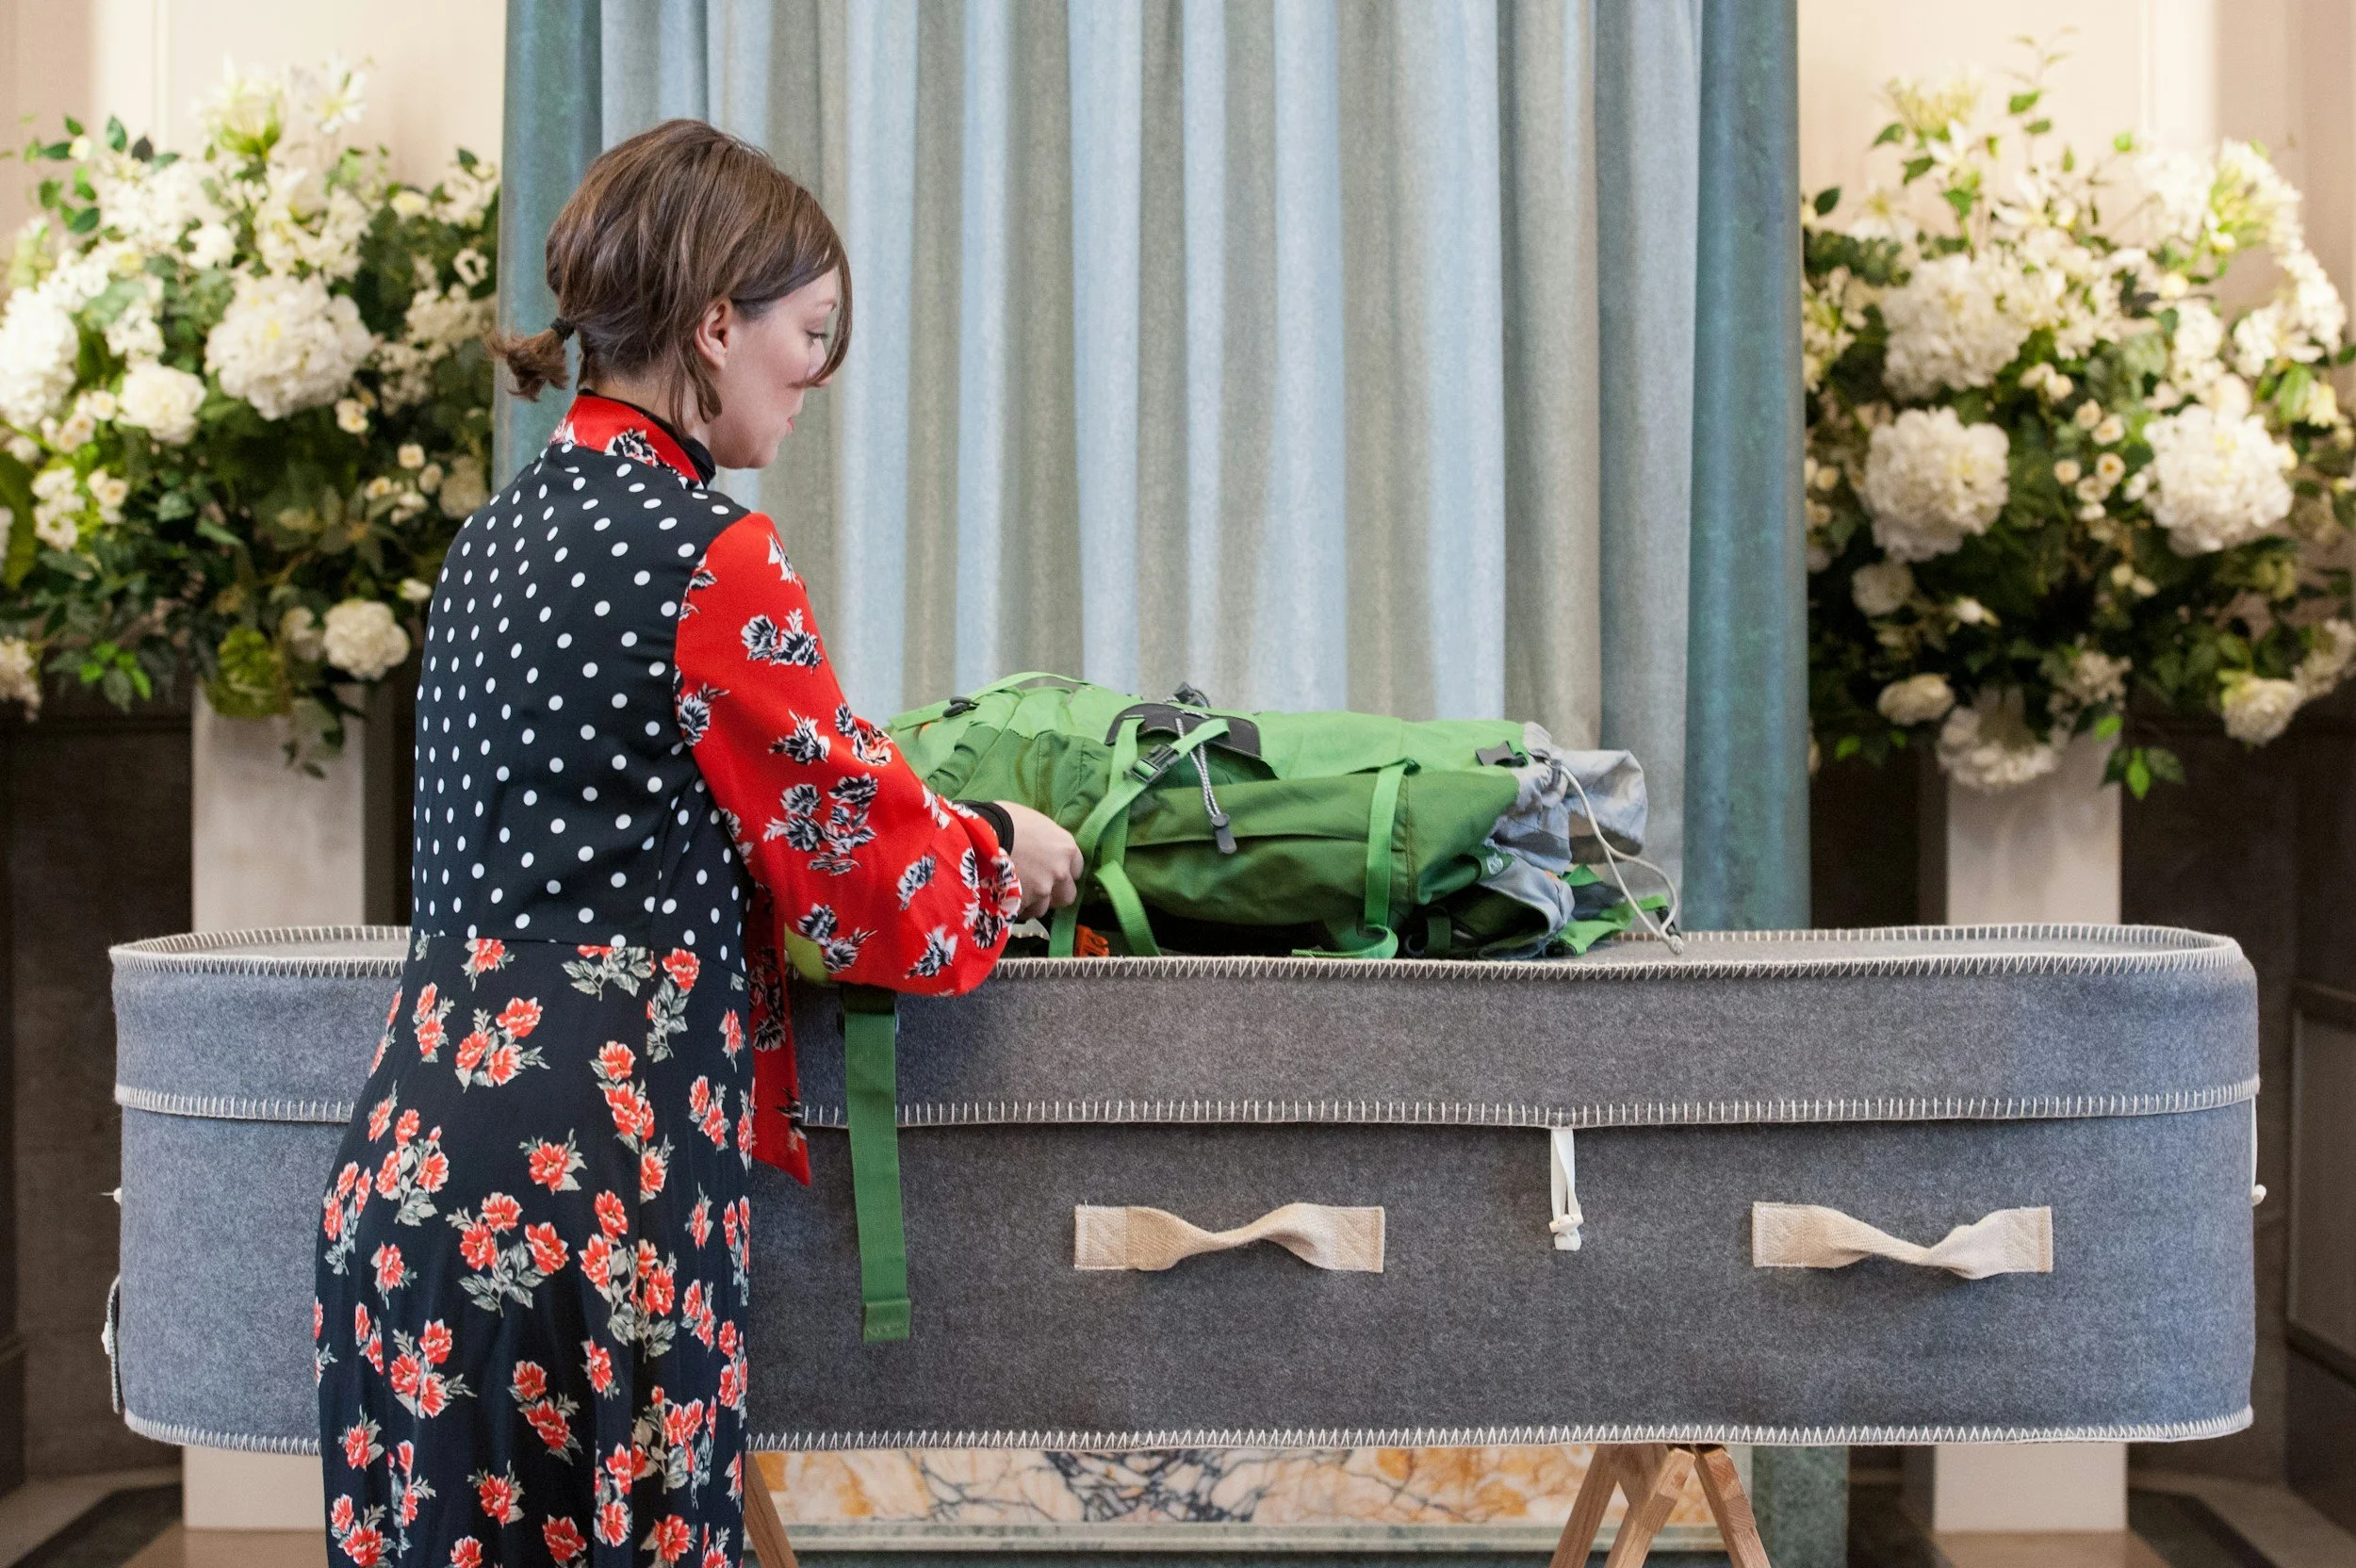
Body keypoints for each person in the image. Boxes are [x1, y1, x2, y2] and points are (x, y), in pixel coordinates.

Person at [312, 118, 1082, 1568]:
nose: (821, 373)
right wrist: (997, 845)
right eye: (812, 330)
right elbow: (866, 874)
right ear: (716, 322)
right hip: (591, 1192)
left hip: (409, 1175)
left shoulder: (485, 545)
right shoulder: (709, 552)